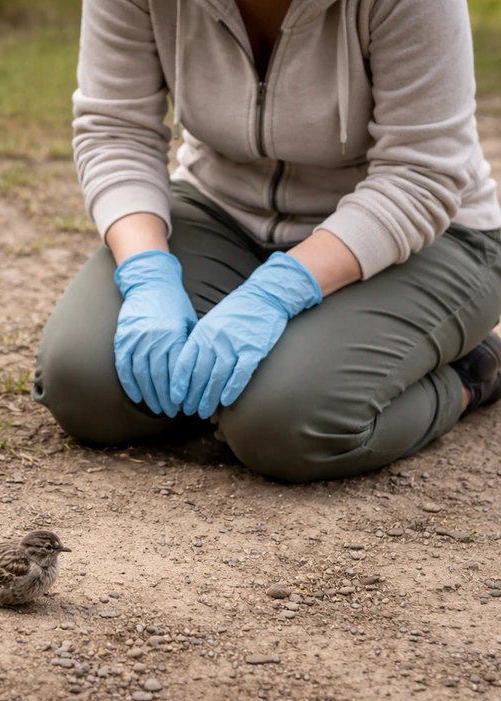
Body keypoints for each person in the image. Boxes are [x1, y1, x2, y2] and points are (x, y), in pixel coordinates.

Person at [33, 0, 501, 482]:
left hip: (421, 235)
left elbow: (421, 175)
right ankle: (249, 381)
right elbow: (116, 130)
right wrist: (146, 270)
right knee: (82, 383)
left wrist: (279, 289)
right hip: (224, 209)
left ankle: (470, 374)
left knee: (284, 423)